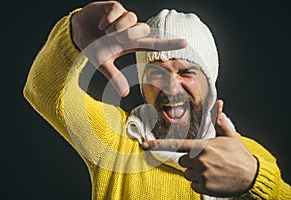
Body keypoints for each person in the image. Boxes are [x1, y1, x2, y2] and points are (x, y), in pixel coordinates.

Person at [23, 1, 291, 199]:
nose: (171, 87)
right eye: (154, 74)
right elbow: (43, 92)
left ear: (210, 82)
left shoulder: (248, 157)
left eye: (186, 72)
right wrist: (74, 36)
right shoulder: (115, 141)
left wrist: (255, 181)